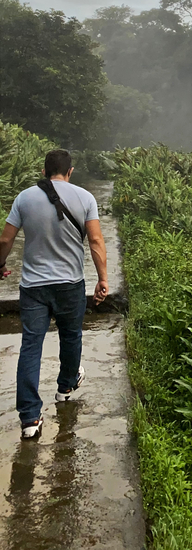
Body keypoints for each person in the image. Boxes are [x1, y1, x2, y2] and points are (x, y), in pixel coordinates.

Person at [0, 149, 109, 440]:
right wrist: (102, 279)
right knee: (71, 336)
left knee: (31, 346)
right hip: (70, 284)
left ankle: (30, 418)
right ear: (70, 171)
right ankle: (65, 388)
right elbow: (96, 240)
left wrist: (0, 265)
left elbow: (6, 238)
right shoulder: (85, 198)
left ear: (44, 170)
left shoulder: (24, 198)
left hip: (33, 286)